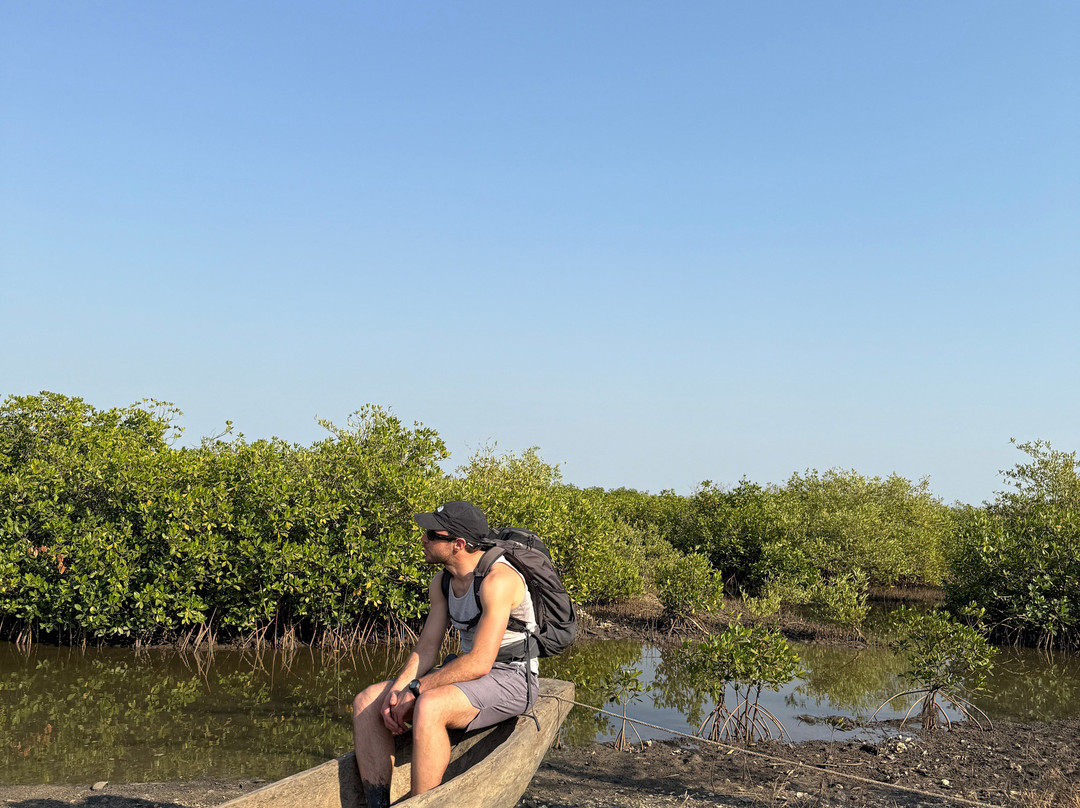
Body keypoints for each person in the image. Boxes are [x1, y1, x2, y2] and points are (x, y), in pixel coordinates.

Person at [351, 501, 538, 807]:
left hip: (512, 679)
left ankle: (423, 804)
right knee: (367, 702)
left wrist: (417, 689)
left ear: (459, 544)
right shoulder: (442, 581)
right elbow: (426, 648)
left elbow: (479, 662)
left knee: (430, 706)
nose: (423, 540)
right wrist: (399, 689)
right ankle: (377, 804)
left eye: (431, 534)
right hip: (468, 675)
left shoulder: (498, 581)